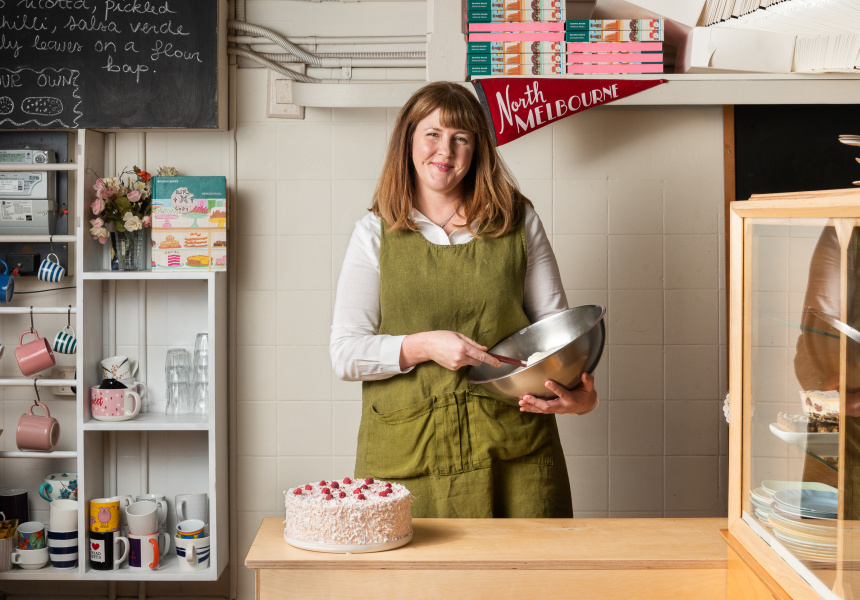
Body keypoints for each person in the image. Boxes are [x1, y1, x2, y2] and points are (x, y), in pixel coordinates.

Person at [330, 81, 598, 518]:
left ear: (477, 150)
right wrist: (423, 345)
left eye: (461, 138)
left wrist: (582, 397)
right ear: (408, 141)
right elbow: (344, 353)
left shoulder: (518, 221)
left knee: (526, 583)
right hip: (409, 458)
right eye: (432, 134)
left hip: (515, 451)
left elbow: (555, 339)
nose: (445, 151)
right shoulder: (373, 233)